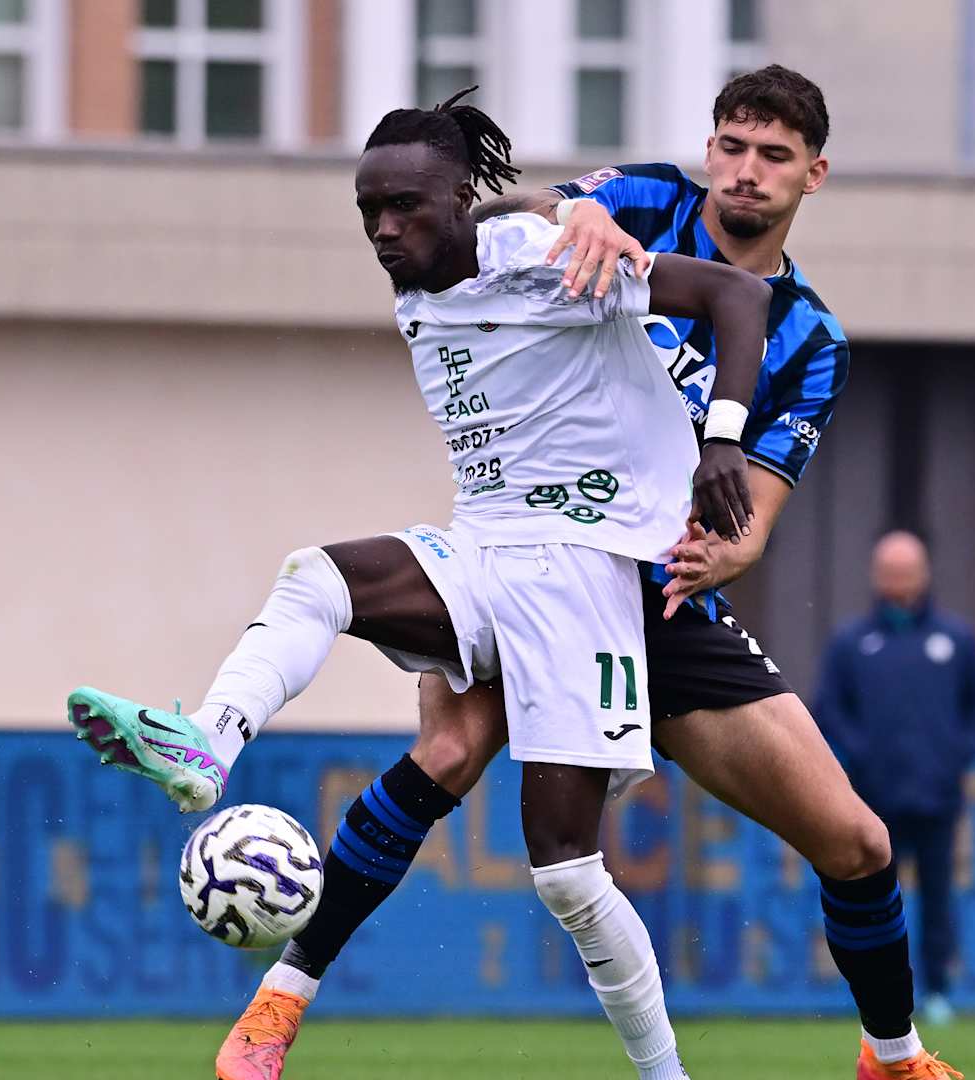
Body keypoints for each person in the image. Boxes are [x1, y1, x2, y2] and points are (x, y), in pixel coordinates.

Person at [225, 67, 963, 1080]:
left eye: (774, 156)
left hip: (661, 595)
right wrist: (576, 209)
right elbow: (506, 217)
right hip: (537, 558)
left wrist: (728, 546)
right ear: (709, 150)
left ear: (813, 175)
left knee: (858, 843)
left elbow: (752, 518)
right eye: (732, 146)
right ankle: (277, 1005)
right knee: (448, 751)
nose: (746, 171)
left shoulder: (812, 340)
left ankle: (893, 1055)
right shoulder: (645, 200)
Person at [67, 90, 771, 1080]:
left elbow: (740, 298)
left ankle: (666, 1076)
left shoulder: (542, 261)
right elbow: (496, 213)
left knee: (567, 874)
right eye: (369, 210)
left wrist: (724, 441)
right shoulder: (426, 279)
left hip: (584, 572)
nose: (385, 229)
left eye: (406, 206)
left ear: (456, 200)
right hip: (483, 549)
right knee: (318, 577)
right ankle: (207, 746)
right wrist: (556, 204)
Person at [814, 532, 975, 1027]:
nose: (898, 581)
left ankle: (938, 991)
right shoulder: (852, 643)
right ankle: (874, 996)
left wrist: (954, 754)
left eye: (906, 571)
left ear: (924, 574)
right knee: (871, 899)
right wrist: (861, 757)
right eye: (889, 571)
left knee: (938, 898)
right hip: (872, 802)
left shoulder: (955, 640)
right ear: (877, 576)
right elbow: (828, 709)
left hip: (937, 797)